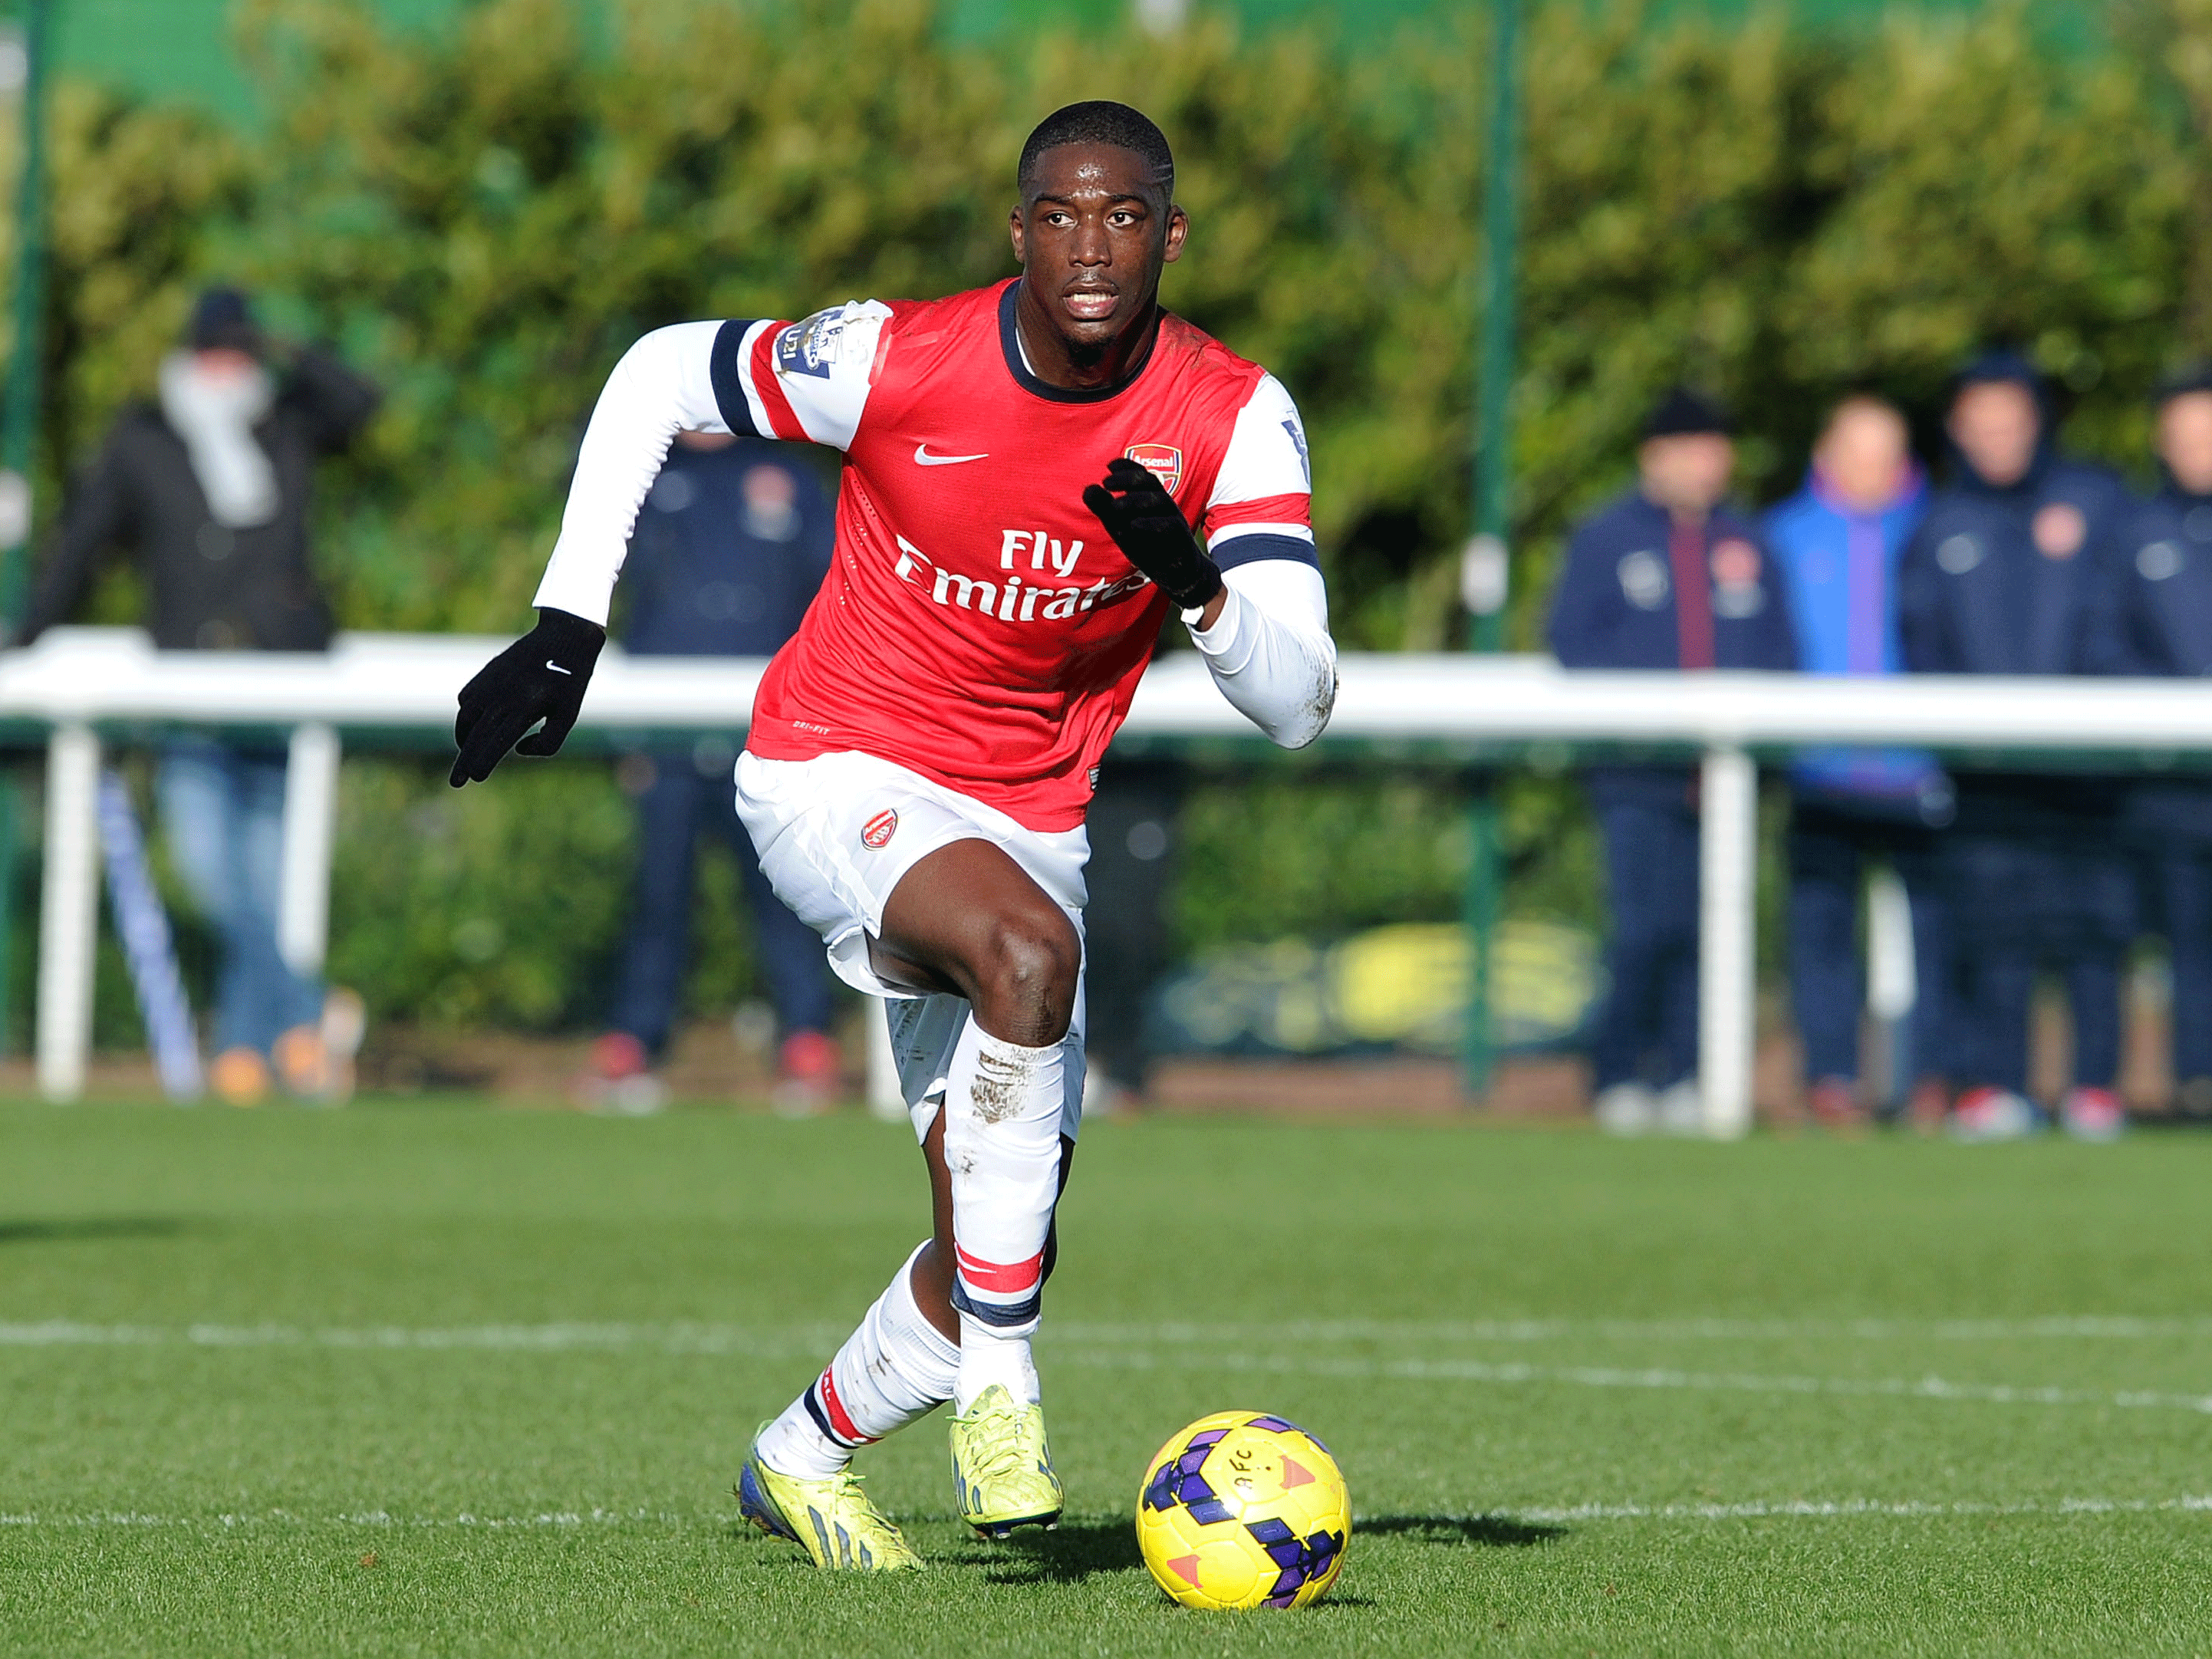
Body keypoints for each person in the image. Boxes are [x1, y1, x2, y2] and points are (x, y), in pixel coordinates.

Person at [446, 102, 1335, 1568]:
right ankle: (1006, 1393)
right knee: (1026, 960)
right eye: (1058, 213)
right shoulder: (899, 356)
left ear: (1170, 236)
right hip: (830, 767)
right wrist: (565, 623)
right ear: (1017, 230)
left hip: (1028, 818)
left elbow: (1297, 700)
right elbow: (662, 370)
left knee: (994, 1241)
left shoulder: (1233, 415)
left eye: (1123, 216)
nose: (1090, 247)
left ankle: (797, 1453)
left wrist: (1198, 588)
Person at [18, 286, 379, 1105]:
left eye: (237, 354)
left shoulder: (284, 423)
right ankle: (310, 1010)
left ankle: (251, 1052)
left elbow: (360, 407)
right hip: (189, 689)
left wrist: (284, 342)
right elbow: (82, 545)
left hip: (282, 684)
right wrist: (26, 633)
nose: (225, 369)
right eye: (213, 351)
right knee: (215, 878)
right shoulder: (145, 438)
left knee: (263, 880)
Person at [1547, 387, 1798, 1135]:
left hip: (1727, 781)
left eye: (1715, 447)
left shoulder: (1746, 544)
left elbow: (1780, 653)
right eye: (1691, 446)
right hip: (1635, 776)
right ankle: (1622, 1072)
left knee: (1710, 932)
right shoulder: (1604, 539)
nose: (1706, 462)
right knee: (1642, 928)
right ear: (1653, 456)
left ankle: (1694, 1074)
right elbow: (1572, 644)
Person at [1898, 351, 2131, 1141]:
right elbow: (1919, 641)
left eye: (2010, 420)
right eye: (1979, 423)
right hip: (1986, 777)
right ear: (1958, 431)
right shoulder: (1939, 525)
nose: (1995, 437)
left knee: (2094, 932)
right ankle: (1994, 1087)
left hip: (2089, 774)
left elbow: (2120, 625)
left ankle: (2096, 1090)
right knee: (1991, 933)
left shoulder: (2096, 502)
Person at [577, 430, 841, 1114]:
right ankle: (636, 1039)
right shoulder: (650, 477)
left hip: (768, 727)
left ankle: (807, 1038)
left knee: (785, 894)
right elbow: (618, 599)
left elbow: (831, 594)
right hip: (666, 727)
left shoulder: (787, 476)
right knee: (659, 894)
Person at [1764, 395, 1951, 1131]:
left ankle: (1931, 1079)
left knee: (1937, 939)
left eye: (1886, 454)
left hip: (1923, 769)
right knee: (1820, 939)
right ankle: (1832, 1080)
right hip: (1821, 771)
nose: (1872, 471)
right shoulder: (1779, 536)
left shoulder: (1939, 529)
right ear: (1826, 454)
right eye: (1858, 453)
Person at [2090, 364, 2212, 1118]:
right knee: (2186, 944)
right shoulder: (2133, 531)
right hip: (2170, 788)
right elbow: (2102, 644)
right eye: (2186, 430)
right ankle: (2197, 1083)